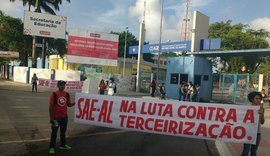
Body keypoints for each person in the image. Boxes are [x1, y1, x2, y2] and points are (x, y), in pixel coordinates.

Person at [48, 80, 75, 154]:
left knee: (63, 132)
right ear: (58, 86)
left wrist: (75, 103)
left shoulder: (66, 94)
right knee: (54, 133)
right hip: (56, 118)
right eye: (61, 85)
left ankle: (63, 145)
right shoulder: (54, 94)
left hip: (64, 117)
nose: (63, 86)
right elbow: (51, 107)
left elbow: (68, 105)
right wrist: (51, 118)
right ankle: (52, 147)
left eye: (64, 85)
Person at [241, 91, 265, 156]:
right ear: (252, 99)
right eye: (256, 99)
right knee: (246, 150)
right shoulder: (247, 108)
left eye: (260, 99)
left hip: (257, 133)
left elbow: (262, 122)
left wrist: (262, 115)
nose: (259, 100)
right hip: (248, 132)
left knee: (254, 151)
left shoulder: (261, 108)